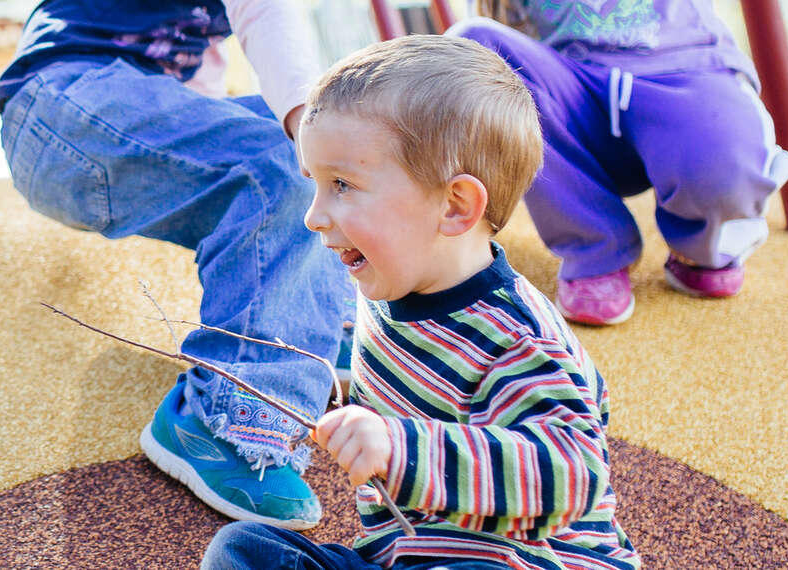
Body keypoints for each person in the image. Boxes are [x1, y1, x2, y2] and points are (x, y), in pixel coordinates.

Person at [202, 35, 637, 569]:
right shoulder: (389, 288)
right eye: (315, 183)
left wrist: (398, 446)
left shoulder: (518, 340)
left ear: (455, 207)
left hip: (523, 560)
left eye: (342, 184)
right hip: (409, 555)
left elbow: (572, 474)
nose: (313, 216)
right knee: (244, 549)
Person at [0, 0, 357, 530]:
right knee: (285, 159)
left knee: (352, 141)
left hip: (121, 106)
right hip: (59, 105)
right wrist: (306, 122)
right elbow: (264, 13)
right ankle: (222, 421)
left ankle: (319, 322)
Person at [450, 0, 788, 326]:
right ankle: (596, 246)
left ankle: (701, 243)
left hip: (683, 73)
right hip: (578, 96)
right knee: (476, 48)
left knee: (720, 158)